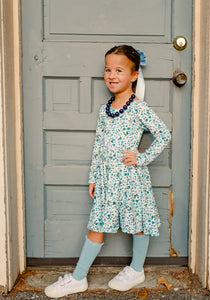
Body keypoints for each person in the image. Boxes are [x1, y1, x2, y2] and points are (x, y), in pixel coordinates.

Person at [45, 45, 171, 298]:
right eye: (107, 70)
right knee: (97, 223)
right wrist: (93, 177)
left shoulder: (139, 108)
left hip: (131, 178)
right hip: (106, 179)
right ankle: (79, 277)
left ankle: (136, 270)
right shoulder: (106, 110)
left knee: (138, 223)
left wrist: (142, 157)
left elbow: (164, 134)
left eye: (119, 70)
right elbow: (99, 146)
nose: (112, 75)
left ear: (134, 75)